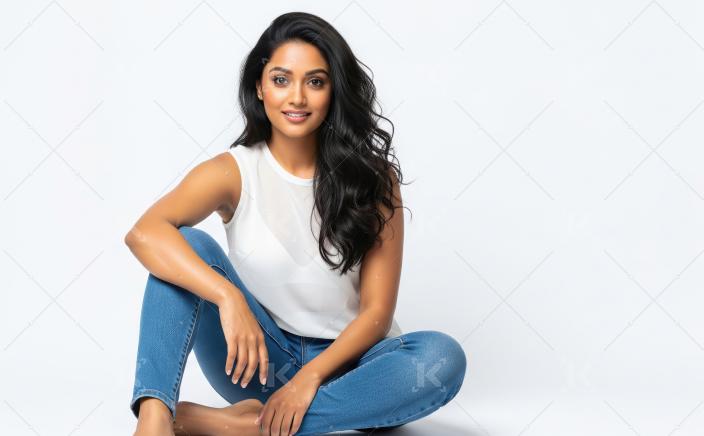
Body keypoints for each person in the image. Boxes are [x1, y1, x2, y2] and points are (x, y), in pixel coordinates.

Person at [125, 11, 466, 436]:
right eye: (282, 80)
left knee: (442, 357)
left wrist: (309, 380)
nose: (297, 98)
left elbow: (377, 314)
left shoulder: (374, 179)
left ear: (334, 91)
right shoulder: (233, 171)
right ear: (260, 87)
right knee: (182, 245)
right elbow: (143, 233)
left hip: (353, 370)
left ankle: (240, 426)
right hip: (258, 362)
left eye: (316, 82)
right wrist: (228, 297)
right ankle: (155, 417)